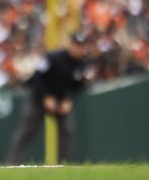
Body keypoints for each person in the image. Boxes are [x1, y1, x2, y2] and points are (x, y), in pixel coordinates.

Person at [7, 33, 91, 164]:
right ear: (71, 45)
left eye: (81, 46)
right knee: (27, 131)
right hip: (38, 99)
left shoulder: (83, 64)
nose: (78, 49)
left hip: (61, 102)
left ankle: (63, 164)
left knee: (67, 130)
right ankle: (13, 163)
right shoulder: (54, 57)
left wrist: (69, 100)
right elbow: (37, 77)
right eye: (76, 45)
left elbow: (80, 86)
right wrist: (46, 96)